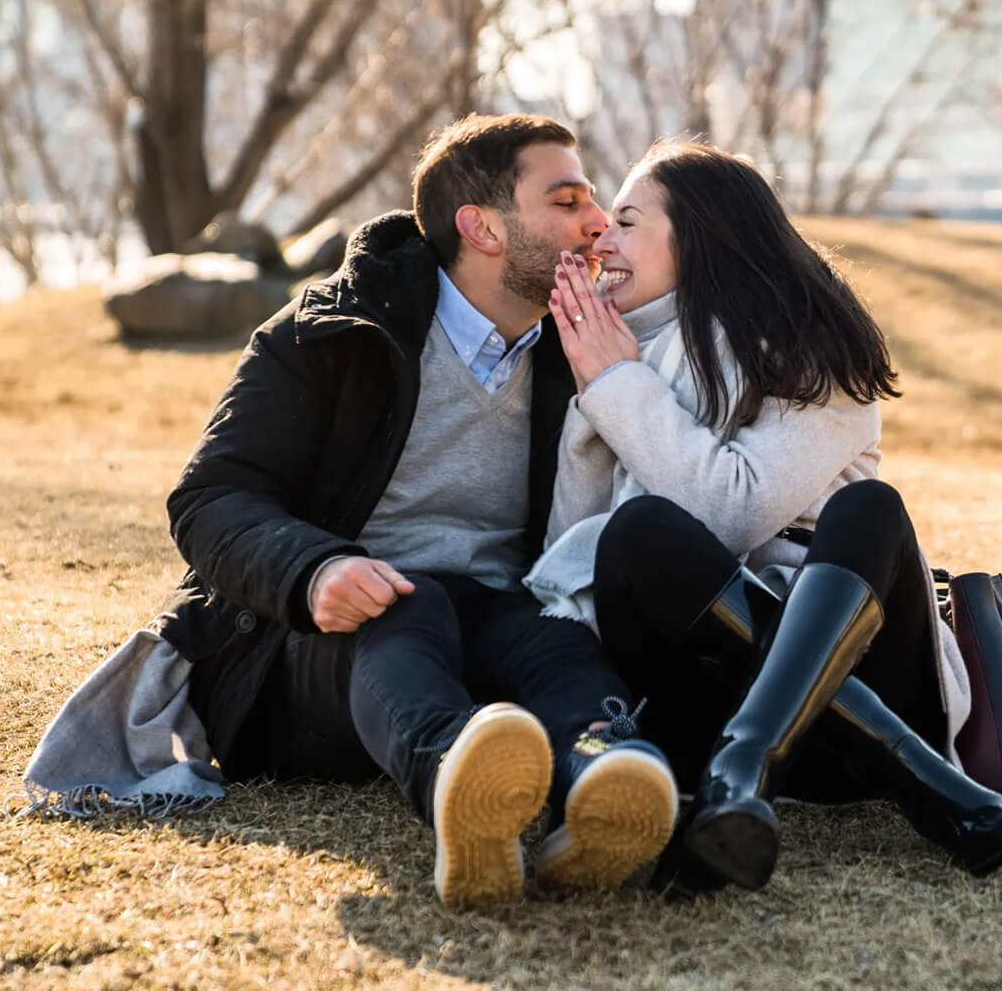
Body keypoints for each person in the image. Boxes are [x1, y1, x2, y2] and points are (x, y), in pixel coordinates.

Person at [155, 114, 678, 906]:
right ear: (483, 228)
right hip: (322, 647)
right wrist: (313, 569)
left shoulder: (581, 350)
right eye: (567, 202)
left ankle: (603, 776)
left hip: (495, 623)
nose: (598, 223)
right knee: (412, 601)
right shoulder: (327, 334)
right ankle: (458, 785)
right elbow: (209, 498)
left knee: (557, 641)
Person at [523, 139, 1002, 894]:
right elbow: (573, 550)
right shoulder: (616, 354)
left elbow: (731, 512)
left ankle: (747, 761)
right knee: (636, 533)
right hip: (700, 693)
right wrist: (602, 389)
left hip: (865, 677)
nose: (601, 235)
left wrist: (620, 385)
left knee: (870, 509)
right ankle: (874, 779)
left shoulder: (813, 353)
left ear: (700, 236)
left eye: (628, 221)